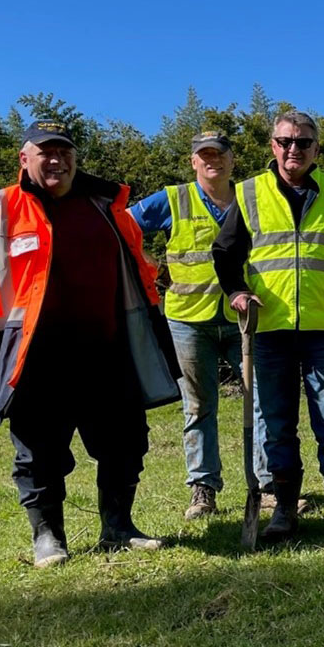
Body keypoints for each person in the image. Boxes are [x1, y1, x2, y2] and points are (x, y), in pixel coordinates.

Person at [0, 120, 179, 567]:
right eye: (45, 151)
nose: (56, 160)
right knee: (39, 452)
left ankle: (118, 527)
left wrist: (153, 336)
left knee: (126, 443)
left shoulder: (111, 211)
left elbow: (140, 279)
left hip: (107, 352)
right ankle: (48, 537)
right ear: (23, 159)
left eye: (64, 151)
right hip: (34, 359)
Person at [212, 111, 324, 544]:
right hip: (269, 329)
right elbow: (225, 252)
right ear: (272, 146)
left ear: (315, 150)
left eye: (303, 143)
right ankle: (284, 508)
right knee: (278, 422)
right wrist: (236, 292)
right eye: (285, 141)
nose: (293, 149)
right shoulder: (249, 193)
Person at [129, 131, 267, 520]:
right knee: (199, 406)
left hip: (244, 315)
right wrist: (147, 270)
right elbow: (123, 228)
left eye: (219, 155)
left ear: (231, 159)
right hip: (189, 319)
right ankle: (203, 488)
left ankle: (268, 485)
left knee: (261, 401)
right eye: (204, 156)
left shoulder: (252, 198)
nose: (213, 162)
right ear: (193, 162)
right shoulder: (174, 199)